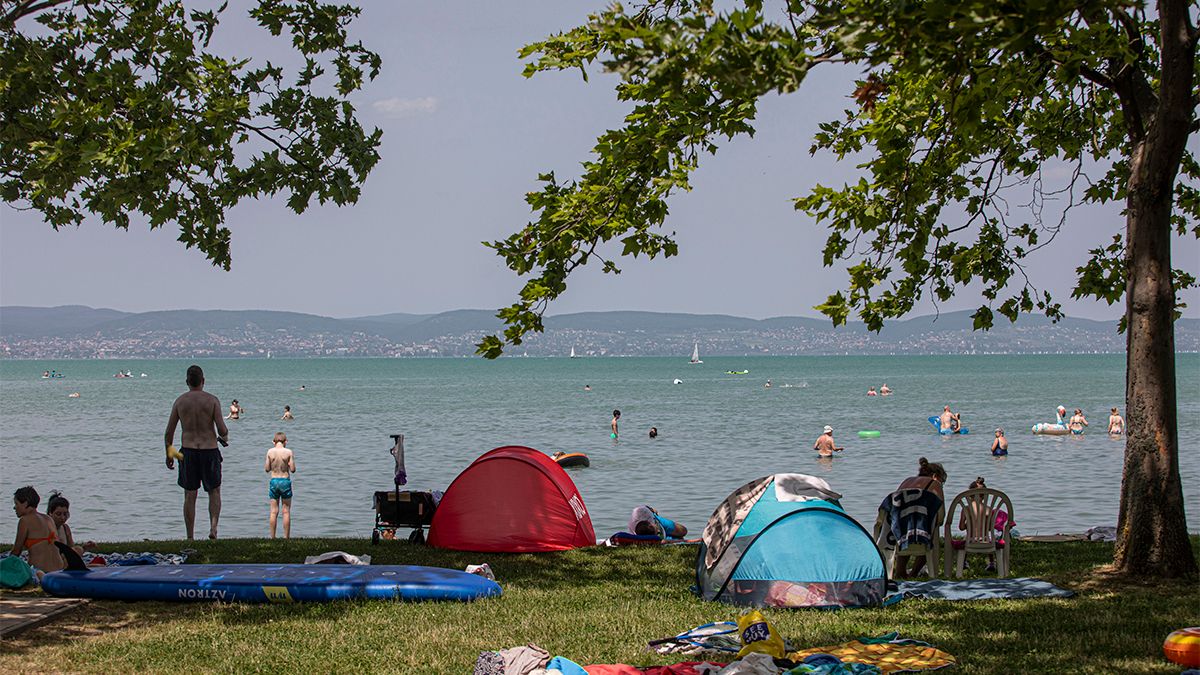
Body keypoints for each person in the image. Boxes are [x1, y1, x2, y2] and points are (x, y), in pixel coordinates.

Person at [165, 365, 229, 540]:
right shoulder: (212, 400)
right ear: (203, 381)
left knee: (189, 494)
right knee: (214, 491)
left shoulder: (180, 401)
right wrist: (225, 436)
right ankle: (213, 528)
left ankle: (190, 536)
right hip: (209, 450)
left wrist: (169, 453)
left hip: (188, 452)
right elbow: (222, 429)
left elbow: (169, 432)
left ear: (187, 382)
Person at [892, 458, 948, 577]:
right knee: (928, 537)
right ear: (935, 476)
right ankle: (913, 573)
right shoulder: (934, 484)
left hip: (899, 528)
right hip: (920, 530)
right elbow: (941, 515)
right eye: (941, 481)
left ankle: (900, 571)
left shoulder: (907, 480)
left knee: (909, 532)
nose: (941, 484)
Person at [11, 486, 65, 580]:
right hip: (58, 570)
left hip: (40, 570)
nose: (14, 507)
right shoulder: (48, 519)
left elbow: (16, 552)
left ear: (25, 503)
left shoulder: (25, 520)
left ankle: (40, 577)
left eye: (16, 503)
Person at [959, 477, 1000, 572]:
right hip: (986, 541)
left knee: (965, 538)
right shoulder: (988, 509)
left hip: (970, 541)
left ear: (970, 495)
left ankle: (964, 562)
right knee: (988, 537)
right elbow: (990, 528)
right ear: (985, 496)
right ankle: (991, 563)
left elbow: (961, 527)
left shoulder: (966, 509)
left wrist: (968, 525)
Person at [264, 432, 296, 539]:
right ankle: (286, 537)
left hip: (274, 481)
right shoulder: (288, 452)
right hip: (285, 481)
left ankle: (272, 537)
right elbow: (293, 469)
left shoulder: (270, 452)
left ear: (274, 442)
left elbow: (267, 469)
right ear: (285, 441)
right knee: (286, 511)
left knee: (273, 511)